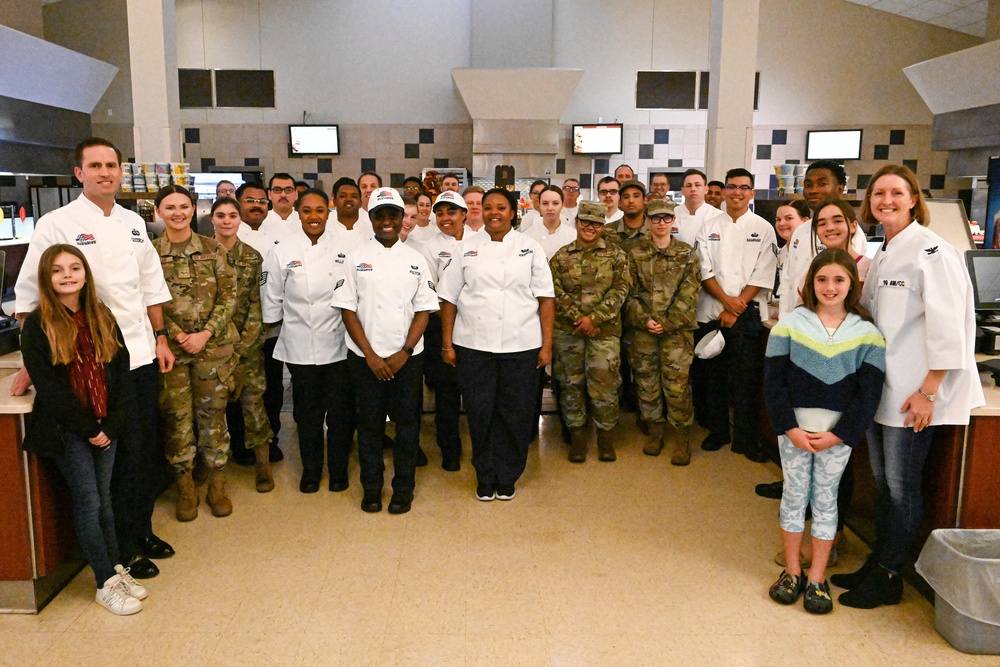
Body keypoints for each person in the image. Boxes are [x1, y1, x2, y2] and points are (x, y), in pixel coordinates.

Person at [14, 137, 174, 579]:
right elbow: (31, 293)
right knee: (115, 461)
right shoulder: (57, 223)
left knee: (142, 451)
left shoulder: (135, 222)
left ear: (121, 173)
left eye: (112, 165)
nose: (106, 172)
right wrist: (32, 363)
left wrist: (160, 337)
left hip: (138, 356)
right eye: (95, 166)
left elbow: (150, 287)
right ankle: (122, 547)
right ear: (79, 174)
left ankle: (140, 529)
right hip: (91, 361)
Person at [834, 165, 985, 609]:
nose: (886, 200)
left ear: (914, 199)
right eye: (879, 193)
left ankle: (890, 575)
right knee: (883, 485)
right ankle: (880, 559)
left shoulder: (935, 251)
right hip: (885, 388)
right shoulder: (885, 252)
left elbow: (950, 327)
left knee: (902, 487)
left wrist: (930, 391)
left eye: (896, 193)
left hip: (916, 393)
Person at [21, 244, 148, 614]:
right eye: (58, 270)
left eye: (74, 268)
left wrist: (109, 425)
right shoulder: (38, 323)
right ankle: (103, 582)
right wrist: (89, 429)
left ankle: (116, 569)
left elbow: (120, 373)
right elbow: (50, 386)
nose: (67, 275)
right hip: (68, 430)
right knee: (89, 501)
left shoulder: (101, 314)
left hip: (105, 424)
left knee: (105, 501)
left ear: (86, 274)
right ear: (47, 278)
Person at [765, 249, 885, 614]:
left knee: (826, 501)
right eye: (822, 279)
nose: (829, 287)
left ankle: (817, 577)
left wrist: (840, 434)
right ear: (810, 283)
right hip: (794, 433)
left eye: (838, 280)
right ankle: (792, 570)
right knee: (794, 497)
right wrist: (788, 427)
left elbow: (869, 395)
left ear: (852, 284)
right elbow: (773, 384)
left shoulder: (868, 335)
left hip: (837, 438)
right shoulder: (789, 325)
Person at [438, 188, 554, 501]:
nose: (493, 213)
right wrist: (447, 344)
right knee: (479, 412)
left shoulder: (530, 248)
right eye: (487, 208)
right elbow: (448, 298)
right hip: (474, 346)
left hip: (521, 345)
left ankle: (509, 474)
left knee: (515, 413)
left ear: (513, 212)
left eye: (500, 208)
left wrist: (547, 346)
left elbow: (546, 299)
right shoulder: (466, 249)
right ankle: (485, 475)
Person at [333, 187, 438, 514]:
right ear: (372, 218)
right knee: (370, 426)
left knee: (408, 426)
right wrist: (371, 356)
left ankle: (403, 488)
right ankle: (372, 488)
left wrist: (404, 352)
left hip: (407, 359)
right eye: (380, 215)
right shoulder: (355, 257)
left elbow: (423, 310)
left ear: (401, 217)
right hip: (366, 360)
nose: (388, 221)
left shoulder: (415, 260)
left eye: (394, 214)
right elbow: (347, 309)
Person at [261, 188, 355, 494]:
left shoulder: (346, 247)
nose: (313, 217)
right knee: (307, 413)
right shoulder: (283, 250)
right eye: (307, 211)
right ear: (298, 214)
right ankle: (311, 470)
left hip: (340, 343)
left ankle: (339, 470)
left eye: (319, 211)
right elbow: (272, 297)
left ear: (328, 213)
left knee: (340, 413)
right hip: (300, 345)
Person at [153, 185, 238, 520]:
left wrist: (205, 333)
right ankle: (185, 487)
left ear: (193, 210)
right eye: (170, 207)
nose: (178, 213)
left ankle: (217, 485)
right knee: (177, 419)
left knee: (214, 417)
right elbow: (149, 298)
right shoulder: (150, 252)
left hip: (212, 348)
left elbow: (229, 296)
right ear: (159, 211)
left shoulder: (212, 249)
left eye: (184, 206)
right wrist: (176, 334)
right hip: (170, 352)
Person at [692, 168, 776, 462]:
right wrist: (726, 302)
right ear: (724, 191)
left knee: (744, 380)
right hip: (712, 312)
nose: (737, 192)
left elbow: (763, 271)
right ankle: (717, 431)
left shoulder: (763, 228)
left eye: (744, 187)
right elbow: (703, 270)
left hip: (747, 314)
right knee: (713, 378)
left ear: (752, 193)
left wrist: (737, 304)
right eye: (731, 187)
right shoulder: (709, 226)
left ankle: (744, 437)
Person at [550, 201, 631, 462]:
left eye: (596, 223)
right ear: (576, 222)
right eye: (585, 221)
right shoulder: (561, 256)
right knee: (570, 384)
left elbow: (621, 290)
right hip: (568, 331)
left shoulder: (617, 255)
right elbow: (554, 291)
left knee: (605, 385)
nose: (590, 227)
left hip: (604, 332)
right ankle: (577, 438)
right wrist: (579, 318)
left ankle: (605, 439)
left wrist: (594, 318)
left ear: (602, 225)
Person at [626, 199, 701, 465]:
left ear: (673, 221)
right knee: (646, 384)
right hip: (643, 332)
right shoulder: (634, 254)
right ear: (648, 221)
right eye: (655, 218)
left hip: (677, 333)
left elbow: (690, 293)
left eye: (666, 218)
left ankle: (682, 440)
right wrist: (645, 320)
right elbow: (628, 293)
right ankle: (655, 433)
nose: (661, 223)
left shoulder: (687, 254)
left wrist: (668, 322)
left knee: (677, 386)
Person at [212, 196, 275, 493]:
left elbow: (255, 306)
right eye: (221, 215)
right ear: (211, 218)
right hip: (209, 349)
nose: (227, 220)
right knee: (210, 412)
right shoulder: (201, 254)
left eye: (232, 215)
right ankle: (210, 471)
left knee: (254, 407)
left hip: (246, 348)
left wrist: (240, 350)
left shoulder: (251, 257)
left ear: (240, 220)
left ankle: (262, 465)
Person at [235, 182, 287, 464]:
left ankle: (271, 440)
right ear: (238, 203)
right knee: (239, 389)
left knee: (272, 388)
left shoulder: (276, 238)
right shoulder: (228, 237)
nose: (257, 206)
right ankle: (243, 445)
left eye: (262, 201)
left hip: (271, 330)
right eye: (250, 200)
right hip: (238, 333)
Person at [420, 191, 470, 471]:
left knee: (477, 391)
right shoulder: (428, 248)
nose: (445, 218)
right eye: (440, 213)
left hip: (476, 328)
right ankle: (450, 449)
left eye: (451, 212)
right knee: (447, 395)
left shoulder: (481, 241)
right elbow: (431, 293)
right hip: (441, 328)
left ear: (464, 214)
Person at [773, 200, 812, 320]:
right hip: (789, 318)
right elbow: (786, 288)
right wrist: (783, 315)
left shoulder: (812, 248)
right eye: (778, 219)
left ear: (805, 221)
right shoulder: (784, 250)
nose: (781, 223)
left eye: (788, 218)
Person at [674, 169, 728, 249]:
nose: (693, 189)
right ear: (682, 191)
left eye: (697, 185)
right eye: (688, 185)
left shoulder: (719, 216)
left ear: (706, 189)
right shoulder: (672, 213)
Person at [523, 185, 576, 260]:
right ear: (540, 205)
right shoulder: (527, 236)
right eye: (545, 203)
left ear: (562, 205)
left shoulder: (573, 236)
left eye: (555, 203)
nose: (550, 208)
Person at [604, 179, 648, 251]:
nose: (631, 201)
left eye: (636, 196)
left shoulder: (655, 231)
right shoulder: (607, 231)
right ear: (620, 203)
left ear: (645, 200)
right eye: (626, 197)